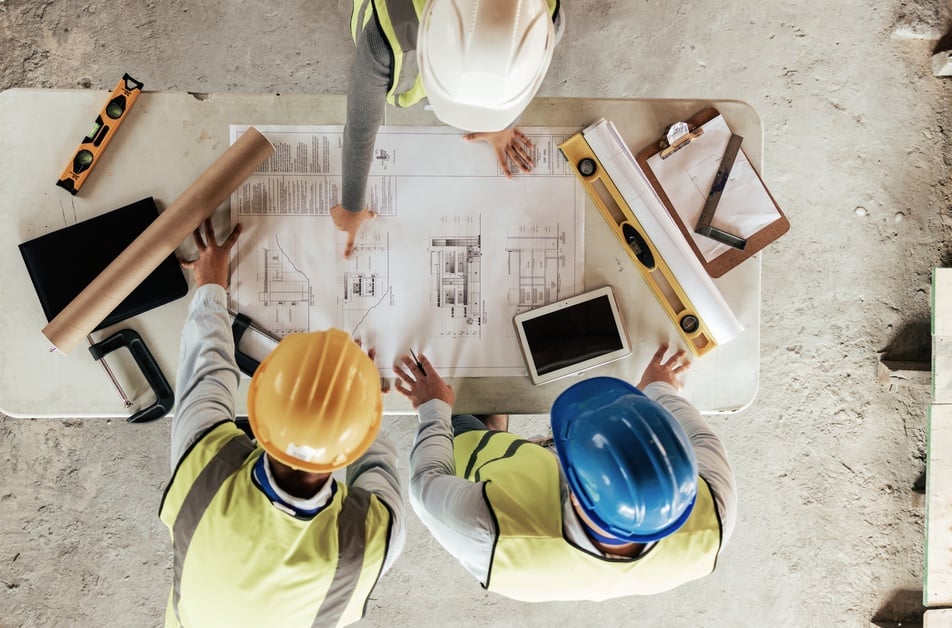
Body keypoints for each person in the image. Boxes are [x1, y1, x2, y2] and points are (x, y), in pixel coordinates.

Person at [159, 219, 406, 627]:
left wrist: (209, 284)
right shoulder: (369, 541)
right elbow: (375, 464)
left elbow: (207, 367)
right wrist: (356, 399)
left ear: (258, 405)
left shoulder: (203, 470)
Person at [396, 344, 736, 602]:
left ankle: (489, 431)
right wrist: (659, 389)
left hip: (502, 490)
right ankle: (495, 426)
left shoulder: (489, 530)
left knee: (466, 428)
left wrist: (434, 407)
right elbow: (702, 439)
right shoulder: (716, 513)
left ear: (571, 485)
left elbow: (425, 481)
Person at [332, 0, 564, 257]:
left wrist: (502, 124)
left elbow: (522, 75)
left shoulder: (542, 23)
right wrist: (352, 206)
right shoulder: (384, 37)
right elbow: (361, 126)